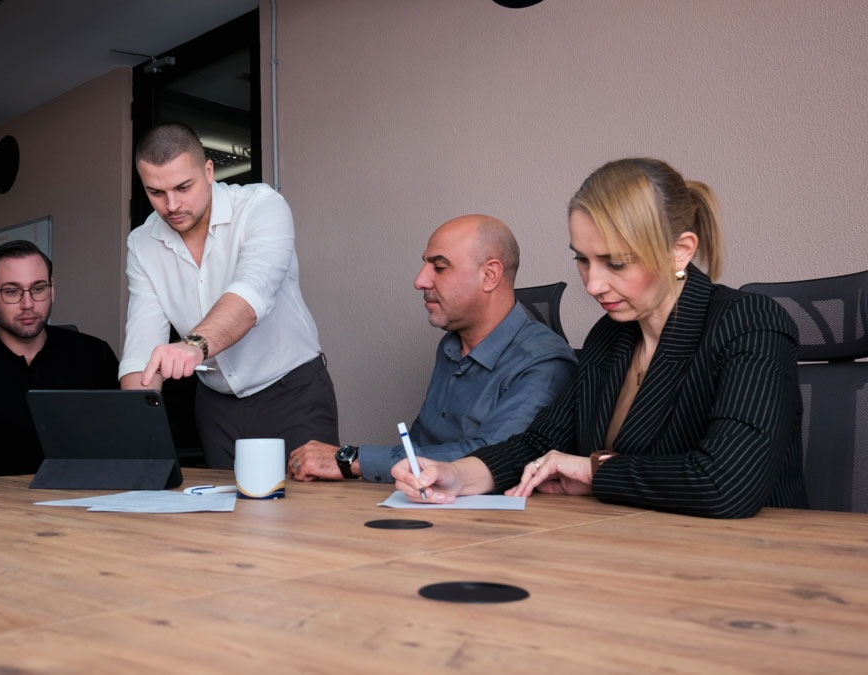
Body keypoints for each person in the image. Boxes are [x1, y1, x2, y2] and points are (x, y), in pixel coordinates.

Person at [393, 158, 808, 518]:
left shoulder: (751, 323)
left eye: (616, 262)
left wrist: (593, 470)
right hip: (628, 546)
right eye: (583, 259)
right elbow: (541, 442)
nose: (592, 285)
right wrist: (458, 475)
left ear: (680, 250)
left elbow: (726, 482)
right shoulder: (610, 336)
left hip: (753, 563)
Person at [289, 215, 577, 483]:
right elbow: (421, 445)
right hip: (428, 500)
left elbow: (493, 456)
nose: (420, 281)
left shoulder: (544, 362)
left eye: (439, 267)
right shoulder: (452, 344)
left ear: (490, 275)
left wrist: (352, 460)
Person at [120, 122, 338, 469]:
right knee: (223, 518)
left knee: (309, 512)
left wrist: (192, 346)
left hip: (292, 393)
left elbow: (250, 296)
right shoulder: (141, 243)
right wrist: (134, 425)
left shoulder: (262, 206)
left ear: (208, 171)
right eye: (156, 192)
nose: (171, 205)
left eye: (183, 187)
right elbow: (142, 343)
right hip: (215, 405)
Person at [0, 240, 118, 477]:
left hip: (79, 503)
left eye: (38, 288)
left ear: (52, 289)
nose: (27, 304)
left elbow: (123, 443)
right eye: (12, 291)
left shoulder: (95, 356)